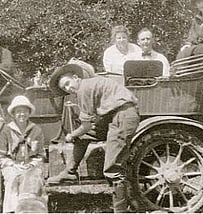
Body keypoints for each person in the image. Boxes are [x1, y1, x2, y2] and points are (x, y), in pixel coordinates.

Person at [46, 60, 141, 212]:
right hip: (114, 115)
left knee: (112, 168)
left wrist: (71, 135)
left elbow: (86, 125)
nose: (69, 88)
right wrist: (79, 134)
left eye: (69, 83)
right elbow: (90, 126)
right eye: (65, 88)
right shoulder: (88, 86)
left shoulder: (84, 88)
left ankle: (121, 210)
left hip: (123, 116)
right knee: (84, 136)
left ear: (77, 77)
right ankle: (70, 172)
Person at [0, 95, 46, 213]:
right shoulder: (6, 130)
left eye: (24, 111)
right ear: (13, 114)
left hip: (31, 164)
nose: (22, 114)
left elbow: (40, 154)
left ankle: (33, 209)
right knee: (13, 177)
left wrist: (32, 164)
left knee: (33, 177)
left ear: (29, 113)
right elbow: (0, 156)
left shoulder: (36, 130)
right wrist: (13, 164)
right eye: (18, 112)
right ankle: (12, 210)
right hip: (12, 165)